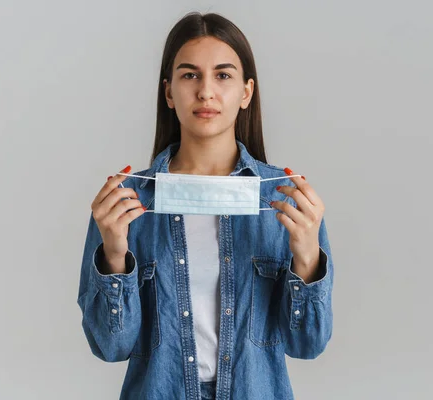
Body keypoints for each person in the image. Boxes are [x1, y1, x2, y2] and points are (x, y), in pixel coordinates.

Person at [77, 11, 334, 400]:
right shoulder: (127, 202)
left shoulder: (284, 199)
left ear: (246, 92)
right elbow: (110, 347)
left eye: (223, 75)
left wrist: (306, 258)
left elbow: (308, 345)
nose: (206, 92)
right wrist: (114, 253)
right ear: (168, 92)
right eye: (190, 75)